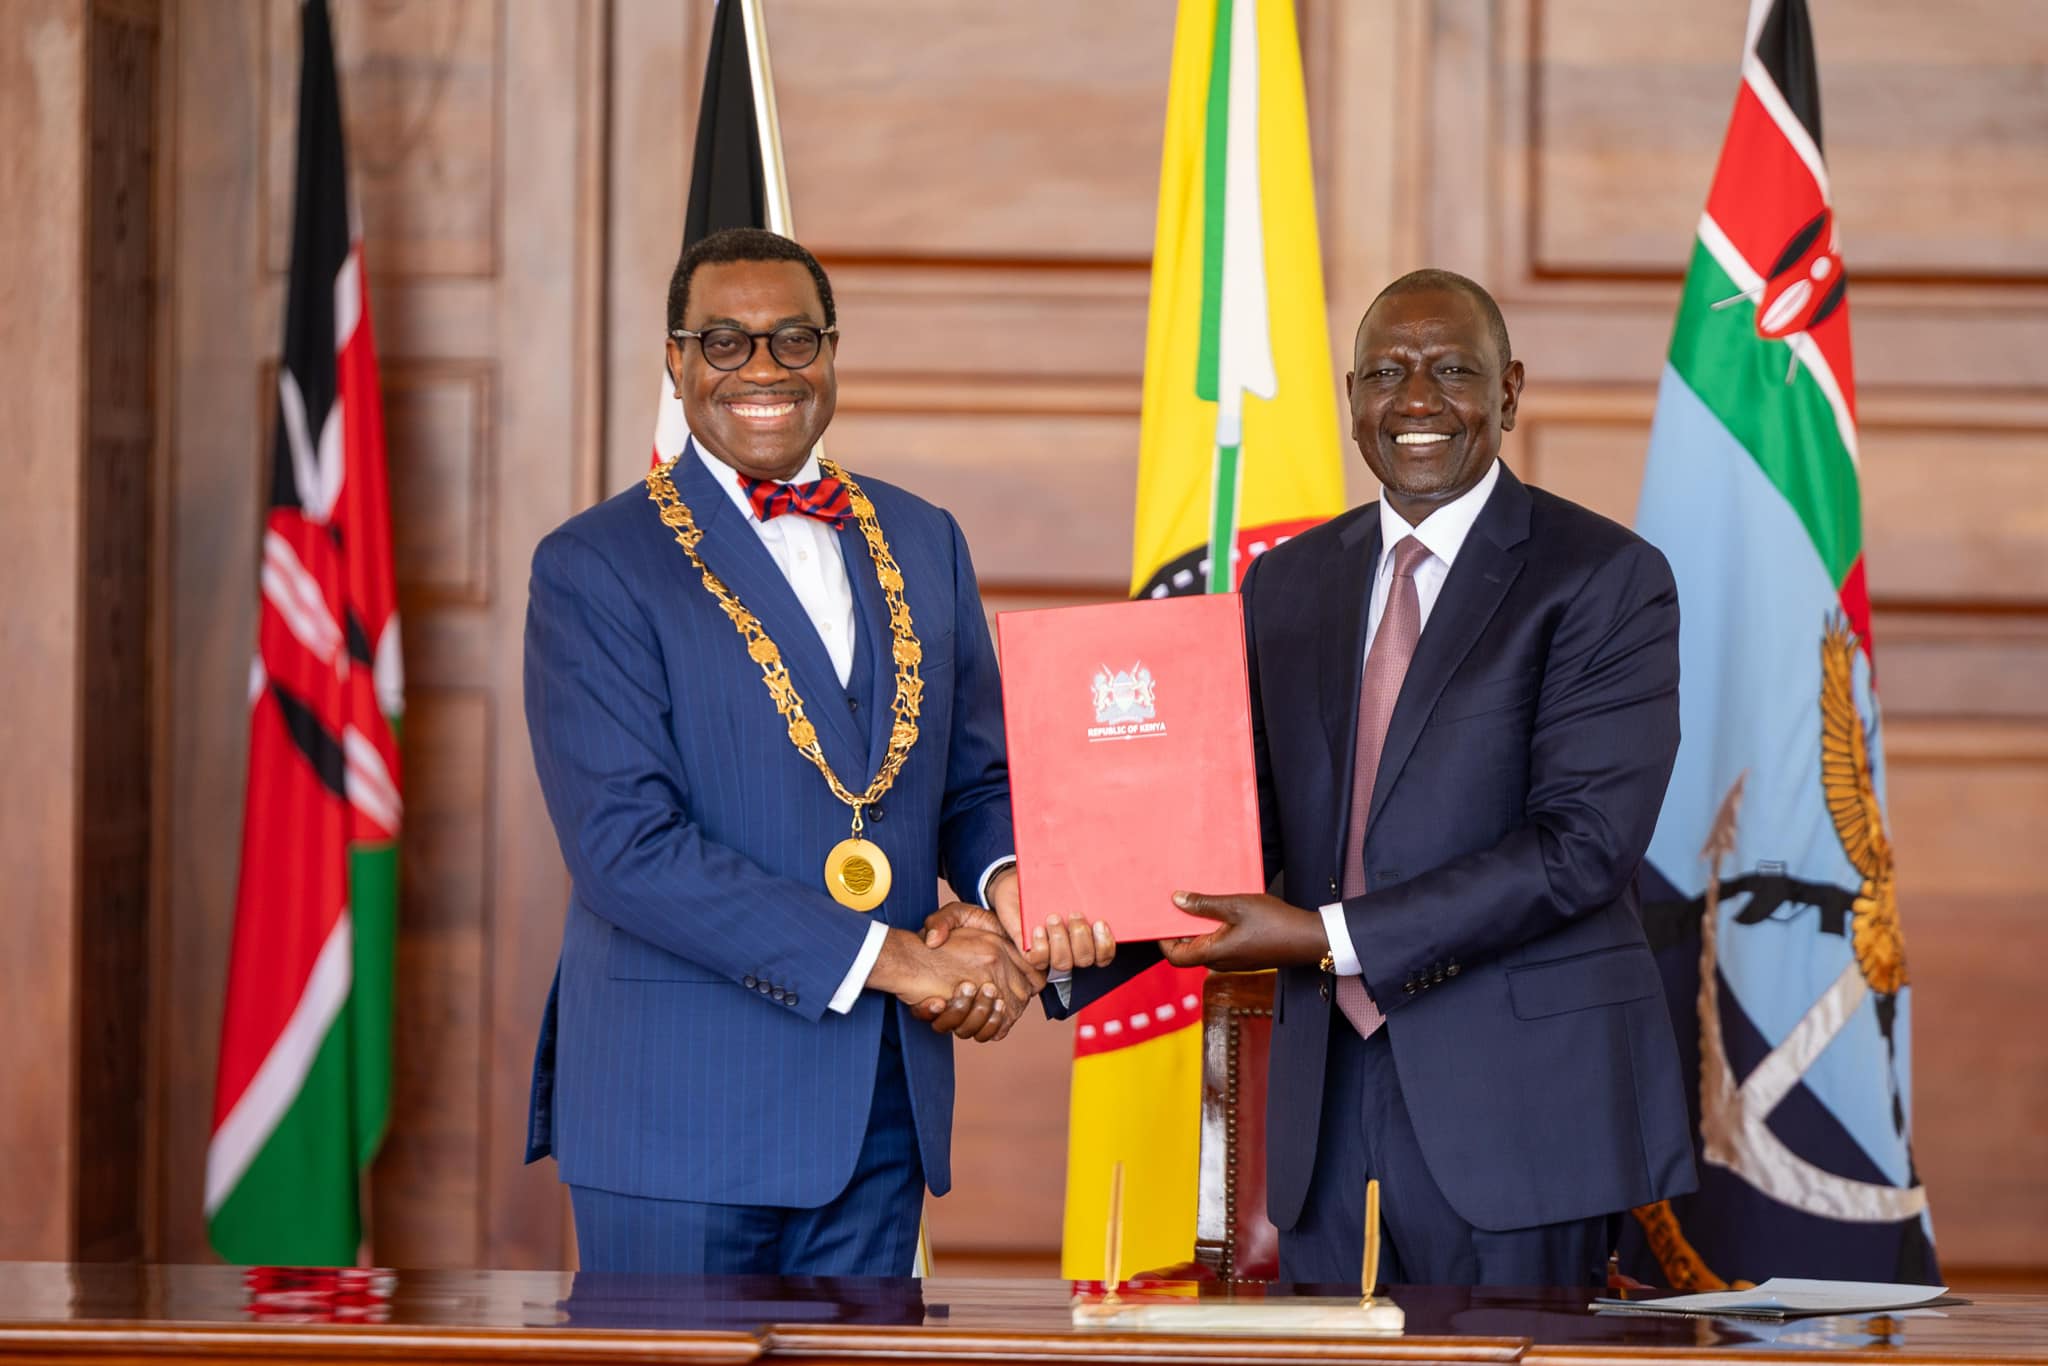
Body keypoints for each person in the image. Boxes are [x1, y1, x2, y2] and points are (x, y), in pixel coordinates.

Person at [521, 227, 1107, 1275]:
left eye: (793, 340)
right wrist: (906, 962)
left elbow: (973, 776)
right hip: (677, 1116)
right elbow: (624, 849)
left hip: (876, 1111)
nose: (761, 370)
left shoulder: (923, 536)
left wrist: (1011, 884)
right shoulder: (593, 567)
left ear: (830, 352)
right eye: (725, 342)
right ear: (674, 360)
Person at [1147, 269, 1697, 1286]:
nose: (1415, 402)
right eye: (1386, 373)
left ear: (1508, 391)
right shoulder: (1288, 581)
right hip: (1324, 1102)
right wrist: (1076, 920)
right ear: (1351, 395)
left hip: (1522, 1105)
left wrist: (1329, 937)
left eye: (1451, 371)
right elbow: (1247, 819)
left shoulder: (1603, 576)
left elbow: (1578, 849)